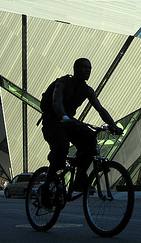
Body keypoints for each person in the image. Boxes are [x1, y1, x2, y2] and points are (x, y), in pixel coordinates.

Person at [40, 58, 122, 208]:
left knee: (90, 140)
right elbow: (56, 102)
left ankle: (80, 178)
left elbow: (101, 109)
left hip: (69, 122)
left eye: (89, 68)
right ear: (75, 69)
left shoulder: (87, 90)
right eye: (84, 68)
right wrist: (64, 117)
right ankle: (46, 189)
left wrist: (113, 125)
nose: (87, 71)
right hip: (53, 120)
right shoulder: (63, 83)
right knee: (61, 149)